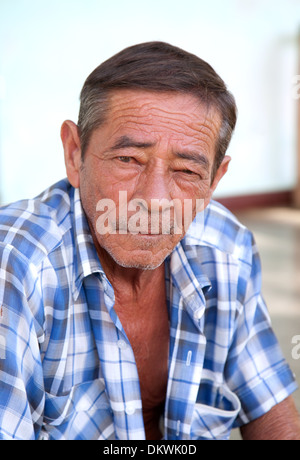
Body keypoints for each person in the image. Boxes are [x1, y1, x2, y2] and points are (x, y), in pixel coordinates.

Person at [0, 42, 299, 441]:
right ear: (75, 155)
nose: (155, 200)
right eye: (128, 160)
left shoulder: (227, 248)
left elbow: (269, 407)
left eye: (187, 170)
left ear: (214, 181)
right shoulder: (18, 266)